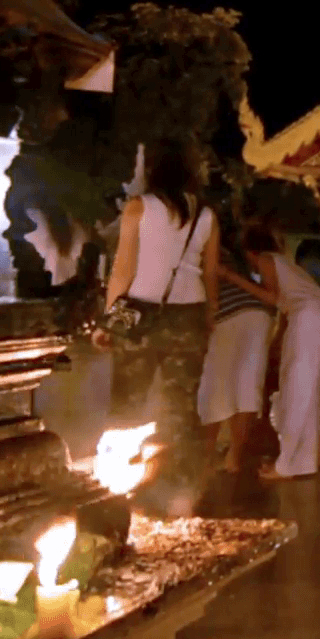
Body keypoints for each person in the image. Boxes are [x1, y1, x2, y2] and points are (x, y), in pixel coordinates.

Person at [95, 141, 218, 501]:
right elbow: (210, 274)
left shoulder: (139, 207)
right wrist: (209, 319)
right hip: (189, 315)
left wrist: (109, 322)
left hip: (140, 311)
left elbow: (122, 271)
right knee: (181, 405)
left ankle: (121, 483)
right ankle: (177, 485)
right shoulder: (205, 214)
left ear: (152, 170)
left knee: (127, 400)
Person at [243, 224, 320, 481]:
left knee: (298, 387)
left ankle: (289, 463)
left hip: (308, 317)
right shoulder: (284, 263)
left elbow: (272, 297)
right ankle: (308, 459)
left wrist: (232, 277)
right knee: (313, 386)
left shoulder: (265, 260)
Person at [201, 240, 275, 474]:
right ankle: (233, 457)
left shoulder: (201, 250)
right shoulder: (232, 255)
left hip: (226, 316)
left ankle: (206, 456)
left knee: (214, 388)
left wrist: (209, 315)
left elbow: (208, 283)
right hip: (259, 315)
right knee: (247, 387)